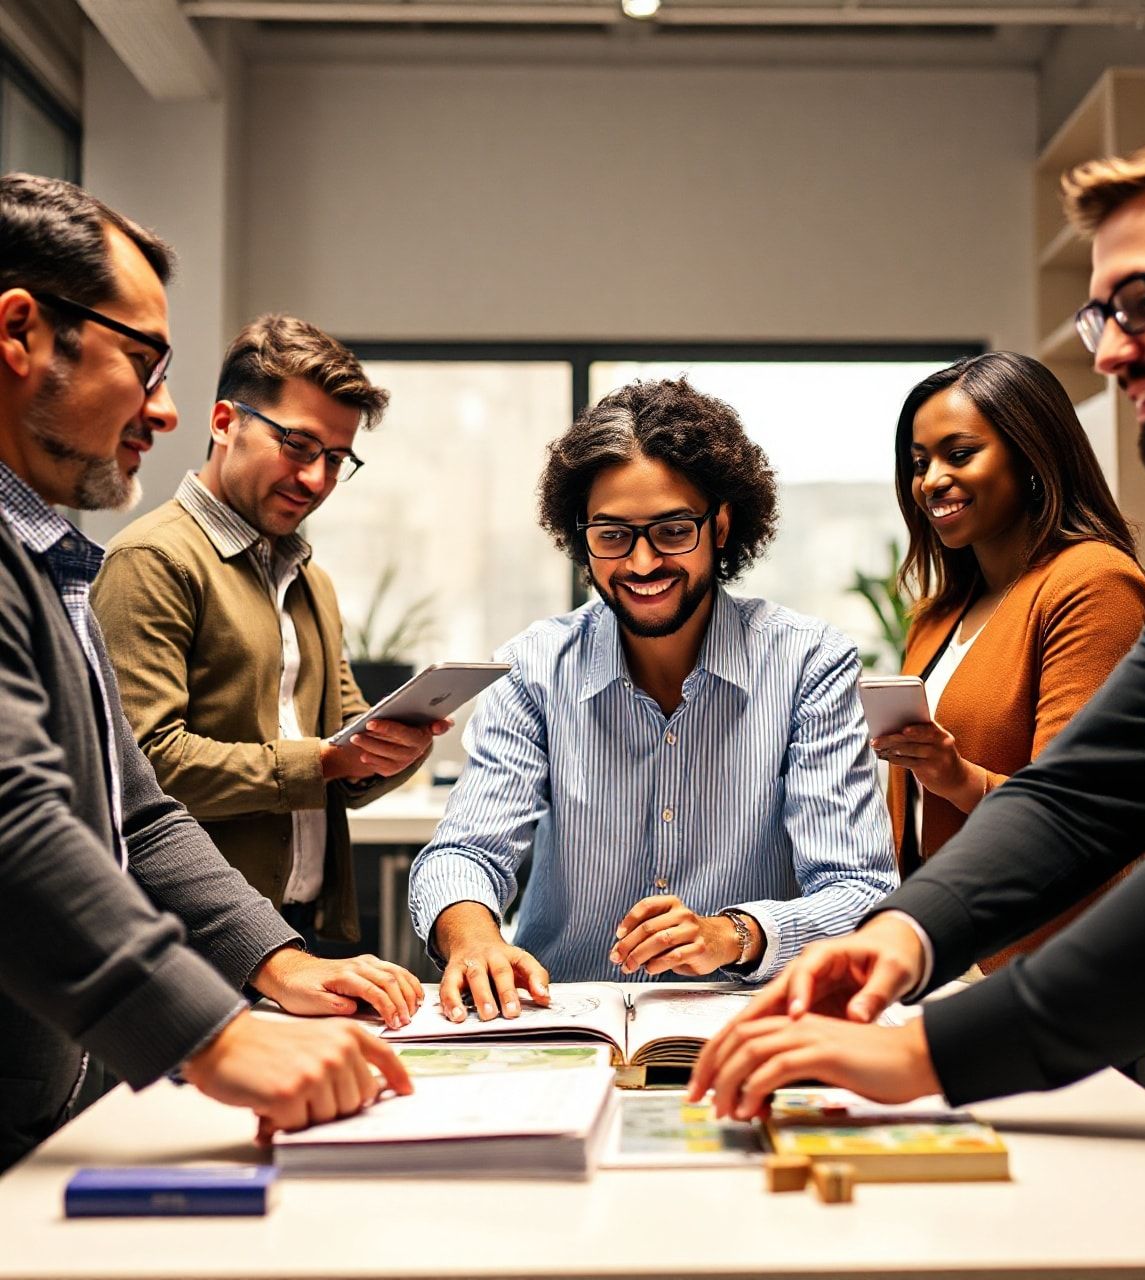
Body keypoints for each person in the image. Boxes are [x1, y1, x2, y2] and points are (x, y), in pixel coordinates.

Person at [690, 103, 1145, 1175]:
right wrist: (899, 938)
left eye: (1144, 300)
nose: (1111, 355)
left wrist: (927, 1047)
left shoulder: (1130, 566)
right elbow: (1076, 793)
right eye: (1100, 314)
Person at [0, 172, 420, 1173]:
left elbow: (132, 813)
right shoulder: (142, 558)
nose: (167, 408)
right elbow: (15, 814)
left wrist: (275, 961)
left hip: (66, 1085)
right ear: (20, 331)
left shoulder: (45, 558)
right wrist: (214, 1031)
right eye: (143, 363)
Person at [409, 377, 898, 1022]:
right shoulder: (535, 667)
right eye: (612, 535)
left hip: (745, 1020)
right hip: (565, 1019)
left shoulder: (807, 662)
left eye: (671, 531)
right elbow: (465, 851)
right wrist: (473, 937)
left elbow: (858, 890)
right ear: (579, 535)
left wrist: (734, 936)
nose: (641, 564)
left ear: (720, 526)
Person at [92, 314, 442, 944]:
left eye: (337, 459)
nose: (316, 480)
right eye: (299, 446)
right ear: (226, 423)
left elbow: (344, 746)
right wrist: (327, 762)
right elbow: (144, 767)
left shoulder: (311, 580)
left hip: (303, 927)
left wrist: (390, 754)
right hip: (189, 935)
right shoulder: (153, 561)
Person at [880, 351, 1145, 968]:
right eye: (919, 462)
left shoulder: (1093, 583)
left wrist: (959, 778)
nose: (930, 480)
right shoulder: (936, 615)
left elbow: (1081, 811)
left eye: (959, 453)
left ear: (1032, 456)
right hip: (943, 947)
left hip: (1052, 966)